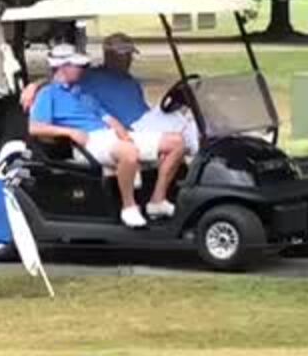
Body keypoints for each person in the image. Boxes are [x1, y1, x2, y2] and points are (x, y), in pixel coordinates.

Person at [28, 45, 184, 229]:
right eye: (78, 66)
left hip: (109, 137)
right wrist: (69, 132)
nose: (82, 69)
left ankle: (157, 200)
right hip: (87, 142)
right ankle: (129, 207)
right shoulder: (48, 94)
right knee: (128, 152)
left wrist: (125, 135)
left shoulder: (82, 93)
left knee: (176, 142)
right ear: (63, 67)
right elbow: (35, 128)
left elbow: (109, 119)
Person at [81, 33, 199, 155]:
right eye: (123, 55)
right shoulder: (91, 78)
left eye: (130, 55)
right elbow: (88, 106)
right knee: (181, 124)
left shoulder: (129, 80)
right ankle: (199, 153)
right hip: (132, 128)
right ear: (109, 55)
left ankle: (198, 152)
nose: (128, 59)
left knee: (186, 118)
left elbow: (142, 108)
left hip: (145, 121)